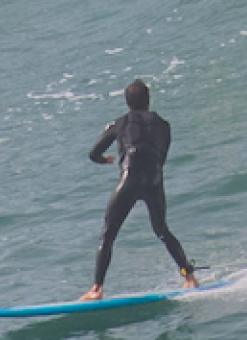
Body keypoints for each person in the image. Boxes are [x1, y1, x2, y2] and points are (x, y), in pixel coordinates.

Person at [80, 78, 198, 300]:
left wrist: (105, 160)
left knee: (108, 234)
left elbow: (93, 153)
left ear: (127, 103)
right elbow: (161, 156)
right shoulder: (164, 125)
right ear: (149, 101)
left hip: (130, 179)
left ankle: (97, 289)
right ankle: (189, 276)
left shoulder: (121, 123)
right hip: (154, 178)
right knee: (162, 230)